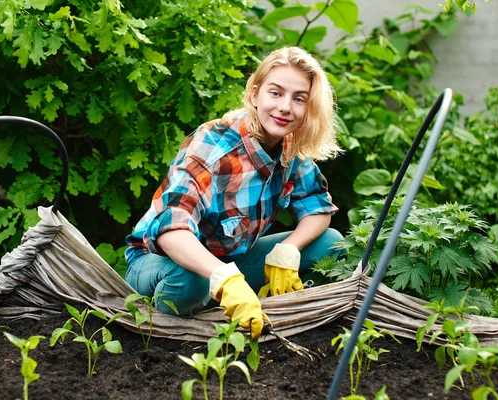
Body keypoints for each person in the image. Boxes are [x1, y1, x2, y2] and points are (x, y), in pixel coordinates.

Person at [125, 46, 344, 339]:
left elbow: (318, 209)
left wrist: (288, 250)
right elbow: (170, 230)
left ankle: (238, 303)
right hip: (161, 265)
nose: (285, 107)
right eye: (275, 93)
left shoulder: (290, 147)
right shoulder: (213, 146)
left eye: (299, 99)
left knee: (331, 244)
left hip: (232, 263)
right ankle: (188, 318)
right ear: (255, 94)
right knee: (192, 281)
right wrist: (224, 278)